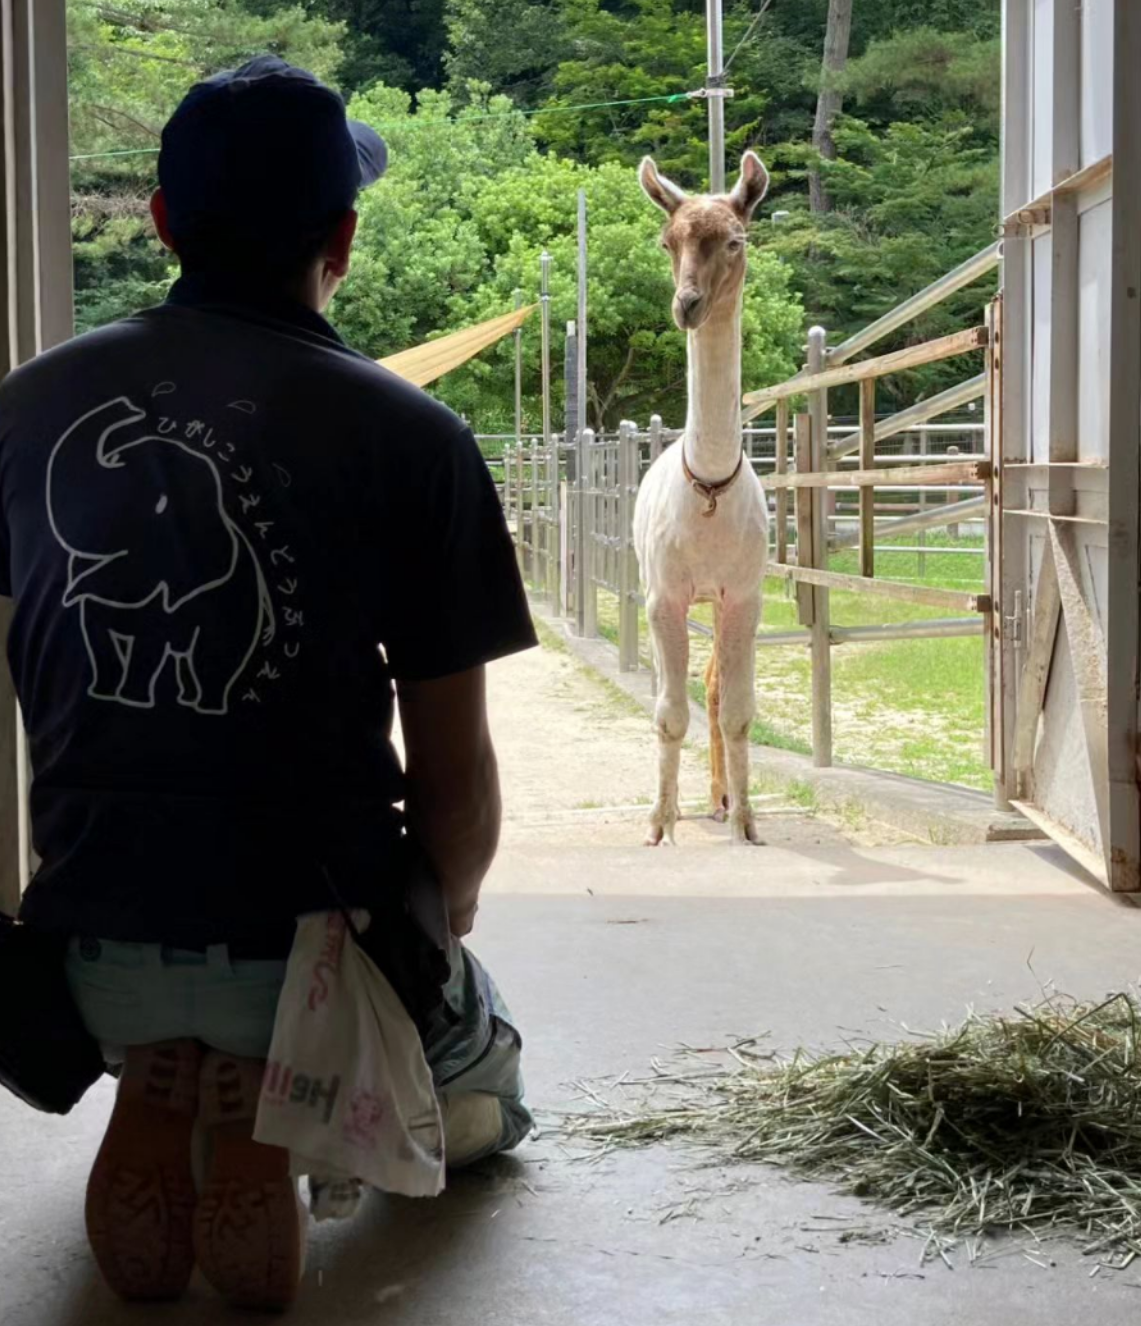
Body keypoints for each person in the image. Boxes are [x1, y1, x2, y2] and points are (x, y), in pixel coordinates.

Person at [0, 55, 537, 1311]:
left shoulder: (25, 410)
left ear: (163, 223)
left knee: (170, 991)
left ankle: (162, 1073)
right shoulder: (414, 437)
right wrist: (438, 921)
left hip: (86, 940)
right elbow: (455, 780)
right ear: (341, 237)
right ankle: (278, 1108)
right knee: (488, 1079)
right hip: (315, 948)